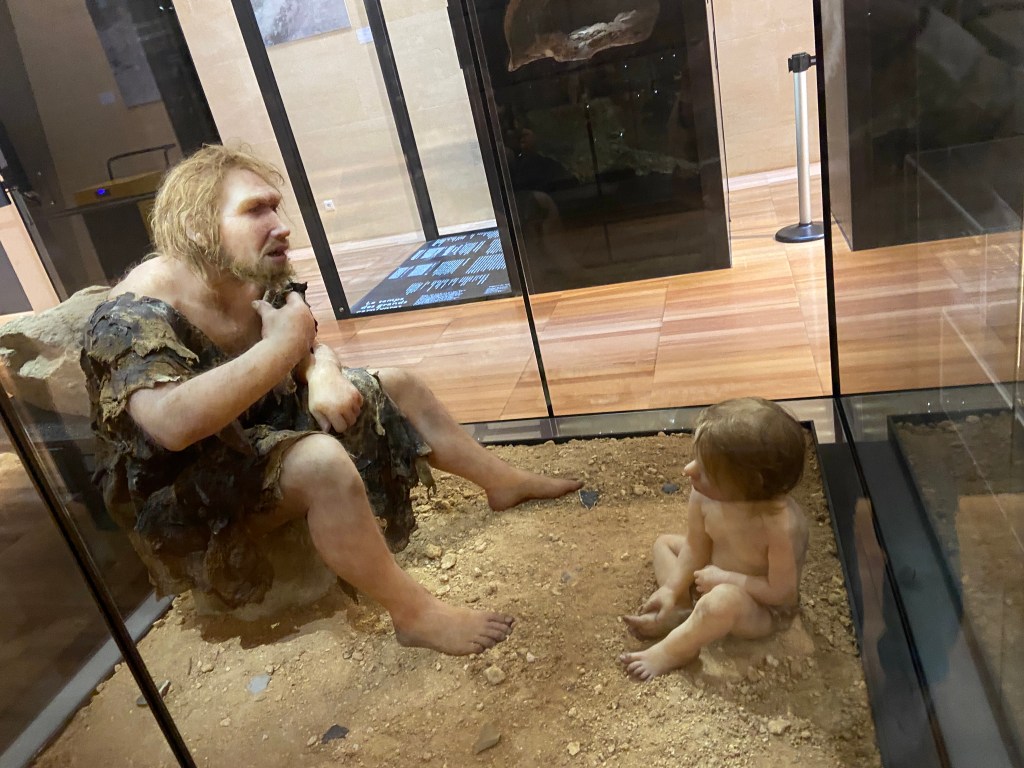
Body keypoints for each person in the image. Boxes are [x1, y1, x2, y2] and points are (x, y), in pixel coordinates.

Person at [80, 144, 581, 656]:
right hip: (187, 492)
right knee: (319, 463)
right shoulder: (133, 314)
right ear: (196, 228)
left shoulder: (248, 274)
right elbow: (171, 423)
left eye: (275, 206)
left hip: (253, 437)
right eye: (255, 210)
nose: (280, 225)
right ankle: (414, 614)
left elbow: (307, 338)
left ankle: (502, 482)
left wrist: (321, 371)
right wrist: (284, 346)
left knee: (398, 384)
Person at [619, 397, 809, 680]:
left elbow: (782, 593)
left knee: (721, 600)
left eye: (705, 470)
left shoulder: (781, 525)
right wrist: (672, 588)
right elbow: (696, 547)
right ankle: (681, 610)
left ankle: (676, 650)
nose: (689, 470)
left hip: (761, 609)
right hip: (712, 576)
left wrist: (726, 579)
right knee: (665, 545)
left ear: (750, 482)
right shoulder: (703, 497)